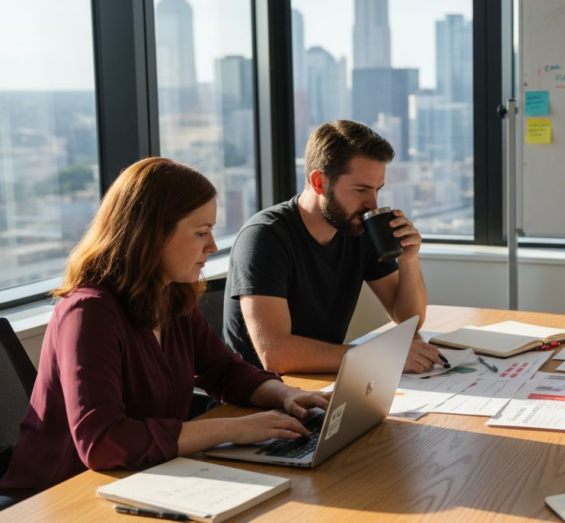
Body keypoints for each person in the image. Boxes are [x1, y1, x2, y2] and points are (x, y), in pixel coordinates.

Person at [0, 158, 328, 502]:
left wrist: (285, 395)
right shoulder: (88, 313)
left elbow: (222, 370)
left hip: (146, 478)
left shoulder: (170, 295)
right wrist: (231, 429)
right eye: (201, 232)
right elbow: (102, 442)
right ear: (152, 235)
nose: (213, 246)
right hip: (58, 496)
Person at [222, 120, 436, 374]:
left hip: (321, 385)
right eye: (361, 190)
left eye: (377, 189)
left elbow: (409, 322)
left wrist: (410, 260)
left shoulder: (357, 228)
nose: (372, 203)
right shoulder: (264, 237)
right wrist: (381, 355)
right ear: (319, 182)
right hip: (258, 400)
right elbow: (275, 354)